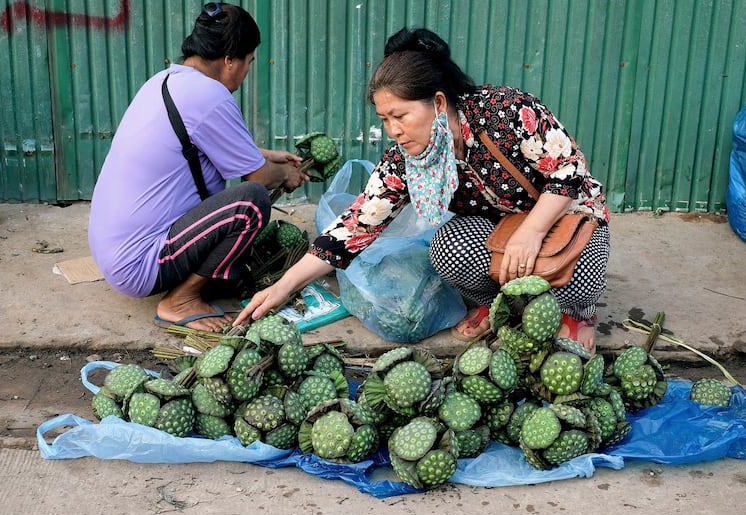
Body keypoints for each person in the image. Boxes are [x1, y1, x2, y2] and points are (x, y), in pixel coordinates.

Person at [236, 27, 610, 352]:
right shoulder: (405, 160)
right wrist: (283, 288)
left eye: (400, 116)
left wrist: (532, 230)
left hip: (567, 216)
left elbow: (570, 171)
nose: (393, 129)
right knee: (447, 250)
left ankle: (578, 313)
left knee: (581, 279)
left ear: (439, 102)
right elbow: (355, 228)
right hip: (501, 229)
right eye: (385, 119)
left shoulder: (505, 111)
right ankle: (498, 305)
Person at [89, 3, 308, 332]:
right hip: (140, 263)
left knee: (235, 260)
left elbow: (197, 141)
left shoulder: (165, 80)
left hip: (113, 253)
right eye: (248, 62)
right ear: (230, 59)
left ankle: (195, 283)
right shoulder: (211, 95)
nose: (247, 72)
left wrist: (267, 155)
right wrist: (288, 174)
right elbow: (259, 178)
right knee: (251, 202)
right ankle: (180, 300)